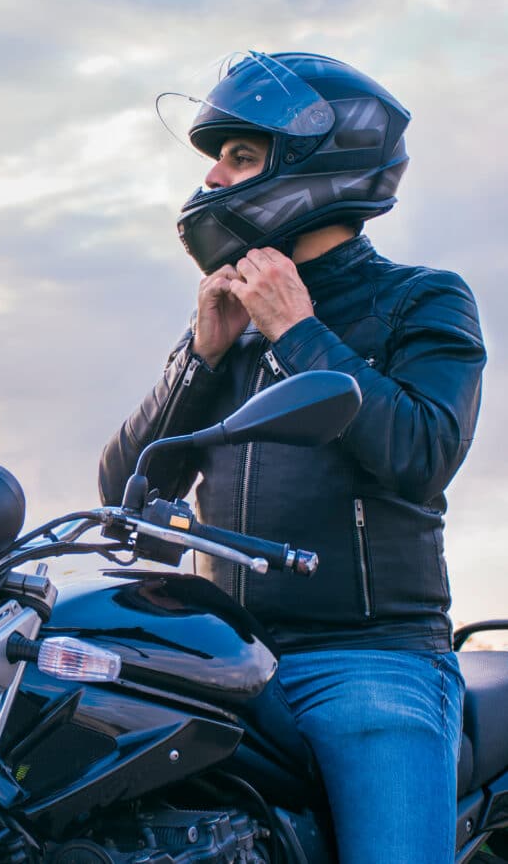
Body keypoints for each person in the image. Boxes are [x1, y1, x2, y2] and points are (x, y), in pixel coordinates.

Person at [98, 52, 486, 864]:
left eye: (240, 156)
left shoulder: (422, 298)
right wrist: (200, 358)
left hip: (370, 662)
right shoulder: (230, 324)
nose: (213, 177)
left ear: (322, 165)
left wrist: (299, 331)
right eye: (217, 156)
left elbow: (422, 451)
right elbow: (126, 491)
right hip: (225, 656)